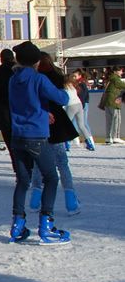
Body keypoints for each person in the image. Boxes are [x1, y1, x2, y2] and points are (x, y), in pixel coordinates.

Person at [7, 41, 72, 245]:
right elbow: (61, 98)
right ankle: (46, 224)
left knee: (23, 181)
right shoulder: (38, 79)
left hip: (17, 135)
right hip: (36, 136)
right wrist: (68, 89)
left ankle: (18, 223)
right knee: (51, 178)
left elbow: (25, 104)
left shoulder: (13, 79)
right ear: (36, 61)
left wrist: (44, 113)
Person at [28, 55, 82, 216]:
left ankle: (34, 200)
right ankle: (71, 202)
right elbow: (62, 99)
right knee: (62, 163)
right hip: (55, 124)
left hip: (39, 122)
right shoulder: (56, 77)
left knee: (38, 163)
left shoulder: (34, 79)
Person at [64, 72, 95, 151]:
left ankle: (66, 144)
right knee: (81, 125)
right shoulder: (73, 86)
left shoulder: (64, 87)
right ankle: (89, 143)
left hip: (71, 106)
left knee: (66, 125)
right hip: (79, 105)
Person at [101, 66, 125, 144]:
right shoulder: (115, 79)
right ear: (115, 72)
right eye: (120, 71)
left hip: (108, 102)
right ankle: (116, 137)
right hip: (114, 101)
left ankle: (108, 137)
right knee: (117, 119)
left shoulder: (110, 78)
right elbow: (123, 85)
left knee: (109, 121)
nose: (122, 72)